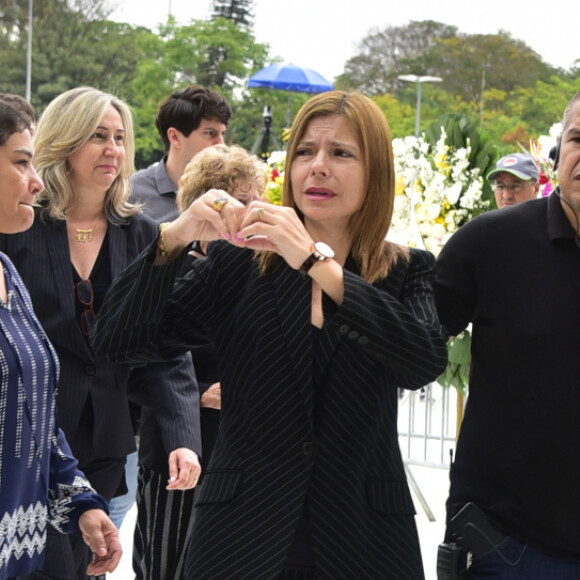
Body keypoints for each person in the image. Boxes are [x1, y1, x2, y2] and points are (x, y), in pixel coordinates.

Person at [93, 90, 448, 579]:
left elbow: (422, 361)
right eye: (305, 151)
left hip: (364, 540)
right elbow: (118, 342)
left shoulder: (407, 270)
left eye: (341, 153)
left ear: (377, 172)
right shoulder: (239, 265)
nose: (317, 167)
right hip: (240, 536)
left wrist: (316, 264)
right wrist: (171, 240)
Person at [0, 87, 201, 580]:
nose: (113, 148)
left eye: (119, 137)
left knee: (84, 563)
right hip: (23, 438)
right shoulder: (19, 220)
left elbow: (164, 345)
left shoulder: (143, 234)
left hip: (105, 437)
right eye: (97, 136)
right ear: (64, 142)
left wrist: (181, 435)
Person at [434, 90, 580, 578]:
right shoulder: (490, 243)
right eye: (579, 139)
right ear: (559, 153)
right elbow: (406, 346)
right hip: (511, 549)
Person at [0, 102, 121, 579]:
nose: (37, 181)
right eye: (21, 162)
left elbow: (33, 418)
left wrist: (81, 504)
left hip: (24, 555)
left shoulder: (8, 273)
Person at [127, 87, 231, 580]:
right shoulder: (134, 206)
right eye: (210, 132)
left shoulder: (257, 262)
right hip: (164, 426)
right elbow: (139, 333)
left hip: (231, 444)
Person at [131, 85, 232, 222]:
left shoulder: (232, 189)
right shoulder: (132, 194)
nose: (221, 144)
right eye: (210, 133)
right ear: (175, 137)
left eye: (222, 134)